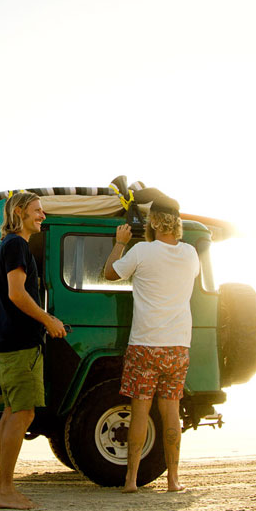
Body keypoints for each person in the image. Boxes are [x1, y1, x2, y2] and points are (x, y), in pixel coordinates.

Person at [103, 195, 199, 493]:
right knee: (171, 410)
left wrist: (119, 243)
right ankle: (173, 480)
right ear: (177, 223)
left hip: (145, 344)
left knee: (140, 410)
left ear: (153, 222)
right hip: (178, 346)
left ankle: (131, 480)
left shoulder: (142, 251)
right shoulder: (191, 254)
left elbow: (109, 274)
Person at [0, 192, 67, 509]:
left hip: (9, 343)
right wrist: (48, 320)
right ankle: (5, 491)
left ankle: (5, 488)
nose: (42, 215)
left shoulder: (8, 244)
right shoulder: (17, 245)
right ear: (19, 212)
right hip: (20, 344)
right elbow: (17, 294)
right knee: (23, 413)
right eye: (37, 210)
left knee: (12, 413)